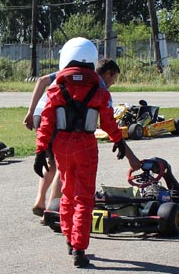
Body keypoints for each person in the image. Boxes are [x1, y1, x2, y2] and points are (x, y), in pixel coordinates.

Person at [34, 39, 139, 267]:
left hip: (62, 145)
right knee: (83, 198)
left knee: (67, 194)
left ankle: (69, 240)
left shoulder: (56, 87)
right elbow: (108, 122)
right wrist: (119, 141)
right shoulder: (99, 89)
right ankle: (79, 250)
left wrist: (40, 150)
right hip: (86, 146)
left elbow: (46, 122)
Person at [26, 59, 120, 217]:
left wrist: (30, 112)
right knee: (63, 165)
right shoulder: (95, 83)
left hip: (39, 113)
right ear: (107, 73)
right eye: (114, 78)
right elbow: (107, 122)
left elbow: (42, 80)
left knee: (51, 161)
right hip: (58, 119)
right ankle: (52, 209)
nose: (113, 82)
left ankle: (40, 200)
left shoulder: (68, 73)